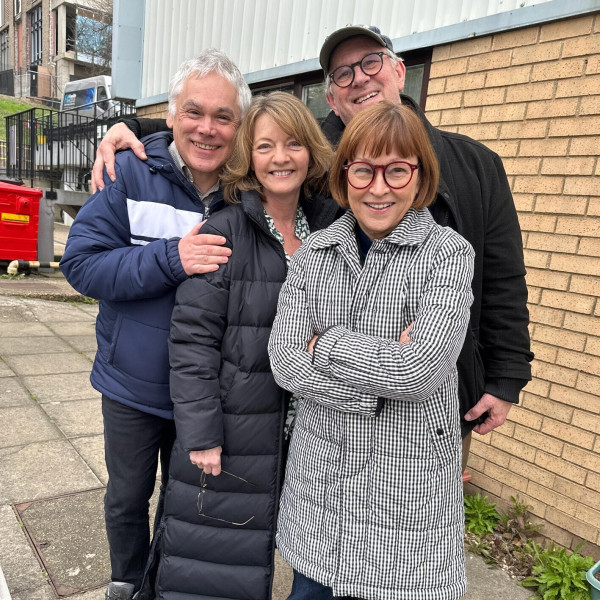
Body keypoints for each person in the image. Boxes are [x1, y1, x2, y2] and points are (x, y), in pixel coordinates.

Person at [90, 24, 533, 470]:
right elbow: (234, 128)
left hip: (432, 407)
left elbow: (504, 278)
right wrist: (130, 126)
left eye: (371, 62)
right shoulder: (321, 161)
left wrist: (506, 375)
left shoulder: (476, 165)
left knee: (409, 523)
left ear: (400, 71)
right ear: (334, 101)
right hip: (327, 408)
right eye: (342, 74)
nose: (359, 78)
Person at [59, 50, 251, 600]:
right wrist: (172, 257)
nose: (207, 129)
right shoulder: (130, 172)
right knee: (127, 497)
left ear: (238, 126)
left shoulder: (248, 192)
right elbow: (81, 264)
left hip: (206, 394)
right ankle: (126, 582)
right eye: (194, 112)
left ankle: (165, 584)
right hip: (132, 386)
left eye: (223, 117)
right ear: (170, 115)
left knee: (185, 504)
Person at [268, 101, 475, 600]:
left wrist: (326, 343)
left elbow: (418, 373)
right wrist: (371, 386)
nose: (378, 188)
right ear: (344, 175)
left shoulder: (446, 254)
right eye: (363, 170)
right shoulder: (315, 254)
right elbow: (284, 362)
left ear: (419, 174)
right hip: (323, 481)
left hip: (402, 485)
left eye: (396, 170)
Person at [149, 92, 339, 600]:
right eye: (265, 146)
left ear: (311, 151)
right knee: (218, 566)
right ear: (247, 157)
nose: (280, 157)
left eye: (293, 143)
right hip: (239, 431)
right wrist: (201, 432)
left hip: (316, 434)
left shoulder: (334, 229)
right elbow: (192, 342)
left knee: (316, 561)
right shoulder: (225, 230)